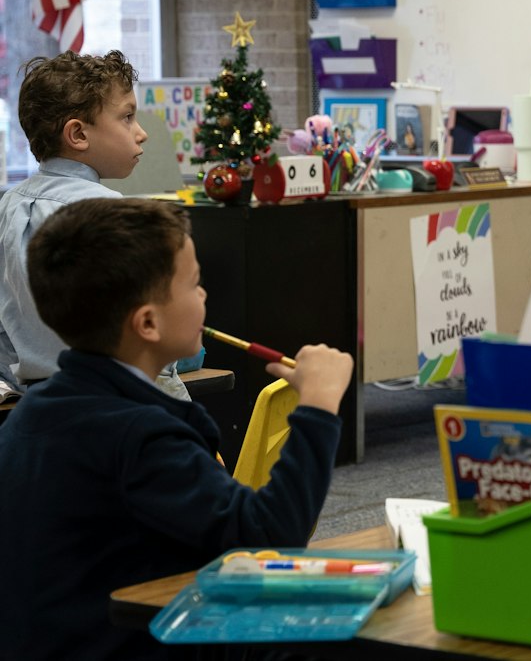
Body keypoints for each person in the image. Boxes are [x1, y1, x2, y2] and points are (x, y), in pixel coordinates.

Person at [0, 197, 353, 660]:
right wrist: (319, 409)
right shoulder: (139, 435)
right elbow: (267, 539)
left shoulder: (36, 411)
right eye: (194, 284)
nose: (205, 296)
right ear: (147, 322)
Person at [0, 50, 188, 399]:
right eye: (127, 117)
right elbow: (148, 330)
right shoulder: (110, 216)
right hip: (117, 401)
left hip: (36, 405)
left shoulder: (7, 206)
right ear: (78, 135)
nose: (141, 133)